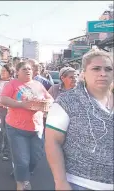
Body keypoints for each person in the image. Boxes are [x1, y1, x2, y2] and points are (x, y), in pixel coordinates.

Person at [45, 49, 113, 190]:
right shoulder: (66, 102)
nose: (103, 73)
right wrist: (60, 182)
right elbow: (52, 142)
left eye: (108, 69)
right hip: (80, 183)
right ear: (84, 73)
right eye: (96, 68)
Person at [0, 61, 53, 190]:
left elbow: (50, 98)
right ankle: (22, 183)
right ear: (17, 72)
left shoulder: (38, 85)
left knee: (35, 158)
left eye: (30, 69)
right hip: (16, 128)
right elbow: (3, 99)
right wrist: (21, 104)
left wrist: (47, 102)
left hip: (37, 128)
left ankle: (20, 173)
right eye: (24, 69)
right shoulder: (12, 84)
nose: (28, 71)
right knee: (22, 160)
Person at [0, 64, 14, 161]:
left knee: (7, 132)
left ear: (10, 72)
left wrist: (9, 103)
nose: (2, 72)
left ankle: (7, 151)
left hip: (10, 110)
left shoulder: (13, 83)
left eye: (5, 71)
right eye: (1, 70)